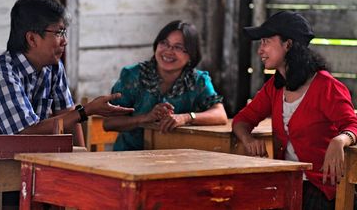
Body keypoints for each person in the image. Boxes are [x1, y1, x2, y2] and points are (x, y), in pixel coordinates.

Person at [0, 0, 133, 141]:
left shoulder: (53, 68)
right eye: (58, 33)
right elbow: (25, 132)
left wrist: (83, 159)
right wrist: (86, 111)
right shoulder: (0, 74)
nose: (64, 40)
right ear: (32, 39)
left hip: (21, 159)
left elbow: (69, 115)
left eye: (64, 32)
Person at [232, 11, 357, 209]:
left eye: (266, 41)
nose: (260, 50)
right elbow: (241, 120)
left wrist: (340, 140)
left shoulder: (326, 86)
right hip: (288, 182)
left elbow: (352, 124)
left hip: (324, 189)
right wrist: (248, 140)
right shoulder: (274, 87)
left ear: (288, 44)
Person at [103, 20, 228, 151]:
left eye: (178, 47)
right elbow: (109, 123)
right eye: (164, 43)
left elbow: (220, 114)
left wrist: (186, 117)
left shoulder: (198, 80)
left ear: (191, 55)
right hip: (129, 158)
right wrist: (145, 118)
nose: (168, 51)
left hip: (177, 160)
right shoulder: (133, 76)